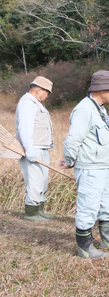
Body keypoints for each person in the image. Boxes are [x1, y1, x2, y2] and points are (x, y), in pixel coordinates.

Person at [60, 70, 109, 258]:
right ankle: (85, 247)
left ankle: (108, 239)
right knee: (88, 207)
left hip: (103, 166)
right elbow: (73, 139)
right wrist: (69, 160)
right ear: (102, 89)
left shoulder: (99, 108)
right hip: (90, 168)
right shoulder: (84, 109)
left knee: (108, 205)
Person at [15, 76, 55, 221]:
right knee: (35, 181)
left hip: (42, 148)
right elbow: (25, 128)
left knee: (42, 181)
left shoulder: (35, 103)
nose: (47, 96)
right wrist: (29, 150)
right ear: (39, 90)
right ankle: (31, 213)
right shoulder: (27, 103)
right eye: (47, 92)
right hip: (33, 148)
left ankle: (39, 211)